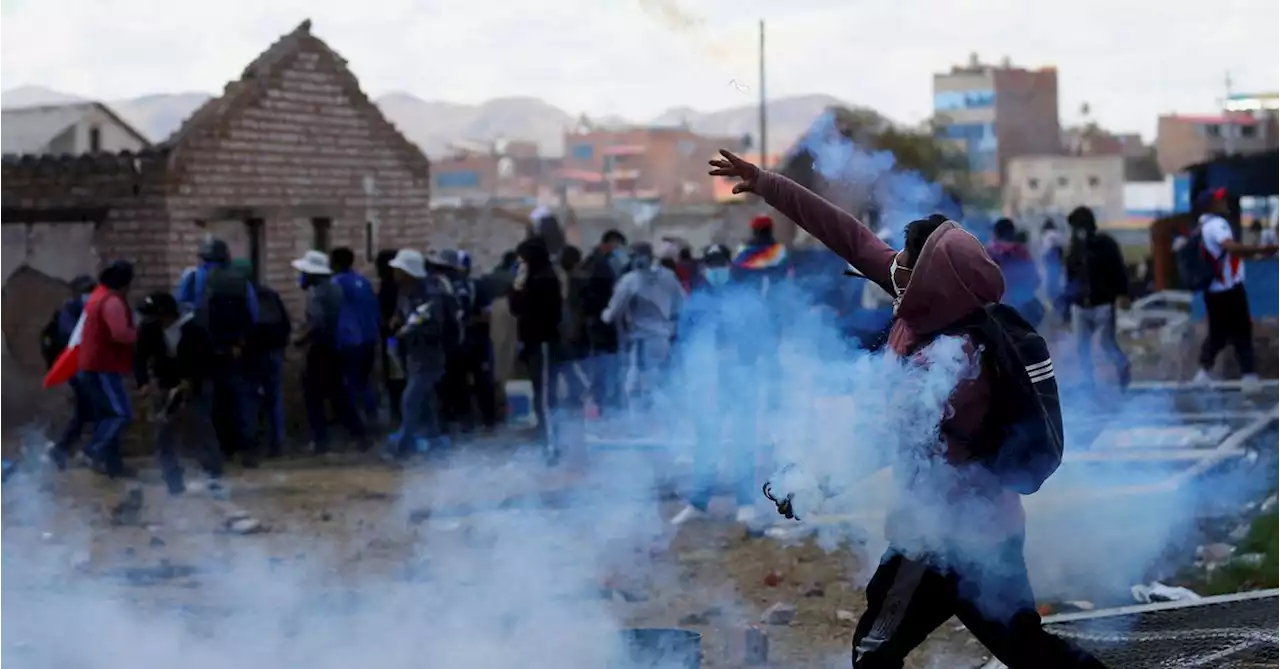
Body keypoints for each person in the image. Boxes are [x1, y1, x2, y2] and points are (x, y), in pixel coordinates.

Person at [710, 149, 1109, 669]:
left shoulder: (952, 360)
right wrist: (766, 183)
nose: (890, 260)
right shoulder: (931, 304)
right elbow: (849, 236)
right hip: (990, 531)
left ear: (931, 277)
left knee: (874, 655)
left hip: (939, 541)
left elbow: (884, 435)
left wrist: (812, 480)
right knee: (1027, 651)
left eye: (904, 256)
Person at [670, 243, 765, 526]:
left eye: (720, 263)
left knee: (743, 439)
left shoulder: (746, 299)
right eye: (711, 265)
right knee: (706, 441)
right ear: (705, 268)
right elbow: (683, 341)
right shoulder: (696, 302)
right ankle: (698, 503)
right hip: (707, 380)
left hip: (740, 378)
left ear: (729, 265)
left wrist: (745, 357)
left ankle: (746, 502)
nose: (716, 270)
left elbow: (760, 335)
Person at [177, 238, 260, 465]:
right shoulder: (242, 281)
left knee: (205, 402)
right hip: (234, 350)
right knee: (238, 400)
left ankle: (213, 453)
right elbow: (254, 315)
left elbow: (180, 313)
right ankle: (245, 449)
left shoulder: (193, 277)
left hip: (202, 350)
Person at [135, 291, 224, 495]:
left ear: (166, 314)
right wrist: (144, 383)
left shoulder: (195, 328)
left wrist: (192, 381)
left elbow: (209, 359)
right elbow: (139, 357)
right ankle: (173, 480)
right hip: (166, 384)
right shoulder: (149, 329)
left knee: (202, 428)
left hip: (196, 385)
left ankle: (213, 476)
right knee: (163, 433)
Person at [1191, 188, 1277, 390]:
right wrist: (1262, 249)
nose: (1224, 202)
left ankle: (1203, 373)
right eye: (1219, 200)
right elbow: (1232, 248)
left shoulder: (1202, 226)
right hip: (1228, 288)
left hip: (1214, 290)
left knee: (1219, 334)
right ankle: (1248, 376)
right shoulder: (1217, 224)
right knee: (1242, 331)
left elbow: (1230, 254)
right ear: (1211, 205)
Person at [292, 250, 366, 453]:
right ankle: (358, 434)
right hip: (334, 348)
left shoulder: (317, 292)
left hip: (320, 350)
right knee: (337, 396)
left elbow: (317, 322)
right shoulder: (334, 288)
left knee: (313, 397)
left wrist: (300, 339)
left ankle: (321, 440)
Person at [385, 249, 454, 460]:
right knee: (424, 402)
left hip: (430, 357)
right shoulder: (405, 292)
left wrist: (408, 330)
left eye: (398, 270)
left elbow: (435, 327)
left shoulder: (430, 295)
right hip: (413, 356)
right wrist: (397, 321)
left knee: (410, 400)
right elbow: (401, 313)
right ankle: (435, 442)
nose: (394, 273)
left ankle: (403, 446)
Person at [602, 241, 685, 413]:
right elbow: (682, 305)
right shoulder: (669, 276)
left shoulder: (630, 280)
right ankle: (668, 422)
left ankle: (644, 426)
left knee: (636, 387)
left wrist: (603, 315)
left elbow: (612, 313)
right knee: (659, 382)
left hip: (642, 341)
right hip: (664, 338)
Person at [78, 260, 138, 479]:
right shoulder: (112, 302)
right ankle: (92, 451)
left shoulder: (99, 297)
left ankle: (113, 467)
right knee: (120, 414)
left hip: (95, 365)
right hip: (102, 366)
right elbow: (120, 334)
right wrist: (139, 334)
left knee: (107, 416)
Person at [1064, 207, 1133, 390]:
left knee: (1106, 343)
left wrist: (1123, 294)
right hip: (1080, 306)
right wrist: (1065, 304)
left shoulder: (1106, 244)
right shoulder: (1074, 248)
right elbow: (1070, 277)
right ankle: (1088, 381)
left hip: (1103, 303)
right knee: (1081, 347)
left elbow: (1119, 271)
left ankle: (1122, 367)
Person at [509, 237, 563, 464]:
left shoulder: (545, 280)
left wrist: (520, 289)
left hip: (543, 343)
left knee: (544, 398)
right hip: (534, 343)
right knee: (541, 395)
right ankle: (547, 439)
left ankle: (551, 445)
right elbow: (516, 309)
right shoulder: (535, 279)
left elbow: (530, 311)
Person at [231, 258, 291, 459]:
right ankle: (278, 445)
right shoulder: (270, 294)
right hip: (274, 353)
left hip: (251, 354)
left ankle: (251, 446)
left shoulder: (238, 297)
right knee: (275, 400)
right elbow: (285, 323)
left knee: (248, 399)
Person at [43, 275, 98, 469]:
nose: (89, 295)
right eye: (85, 291)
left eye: (91, 290)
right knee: (95, 410)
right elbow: (72, 336)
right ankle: (87, 453)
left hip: (91, 368)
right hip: (78, 368)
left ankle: (62, 450)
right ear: (75, 293)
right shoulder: (70, 310)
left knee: (86, 412)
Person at [330, 247, 382, 428]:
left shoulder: (335, 283)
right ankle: (372, 418)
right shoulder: (363, 281)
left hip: (349, 340)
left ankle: (357, 427)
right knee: (365, 381)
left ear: (334, 263)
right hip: (369, 337)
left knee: (349, 384)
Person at [579, 229, 629, 415]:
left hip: (604, 322)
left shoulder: (602, 262)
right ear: (610, 244)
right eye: (618, 246)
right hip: (599, 323)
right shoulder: (597, 264)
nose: (620, 251)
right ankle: (603, 403)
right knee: (603, 366)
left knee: (608, 365)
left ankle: (607, 402)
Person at [986, 218, 1044, 328]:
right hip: (1025, 311)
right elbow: (1036, 281)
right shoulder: (1022, 252)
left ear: (995, 234)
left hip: (998, 312)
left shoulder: (989, 252)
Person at [376, 249, 407, 423]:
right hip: (393, 338)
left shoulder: (390, 287)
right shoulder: (396, 286)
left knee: (396, 377)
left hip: (393, 339)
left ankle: (399, 415)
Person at [1040, 219, 1066, 323]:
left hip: (1051, 265)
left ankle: (1058, 314)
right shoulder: (1057, 235)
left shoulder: (1049, 235)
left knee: (1052, 290)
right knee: (1056, 290)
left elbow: (1045, 251)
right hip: (1056, 265)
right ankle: (1059, 313)